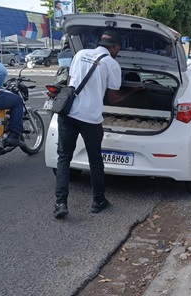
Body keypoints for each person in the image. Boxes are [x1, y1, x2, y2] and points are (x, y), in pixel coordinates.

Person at [53, 29, 127, 219]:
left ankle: (60, 203)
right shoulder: (112, 64)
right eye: (119, 48)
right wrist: (136, 92)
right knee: (95, 160)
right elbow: (113, 97)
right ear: (116, 46)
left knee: (64, 158)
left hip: (68, 113)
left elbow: (71, 81)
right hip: (91, 119)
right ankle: (98, 201)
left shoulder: (80, 54)